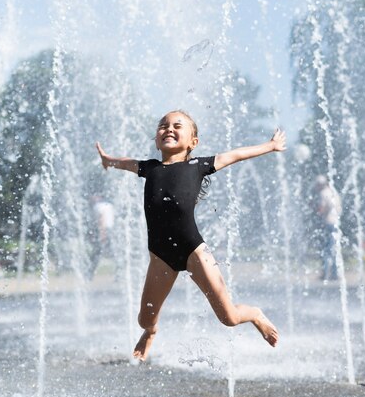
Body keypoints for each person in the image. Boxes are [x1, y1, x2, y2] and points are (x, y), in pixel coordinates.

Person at [96, 110, 286, 361]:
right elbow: (126, 163)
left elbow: (236, 155)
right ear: (156, 139)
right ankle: (151, 332)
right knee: (144, 319)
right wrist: (109, 161)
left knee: (229, 318)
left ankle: (254, 314)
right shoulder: (149, 168)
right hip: (160, 256)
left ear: (192, 142)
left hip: (194, 250)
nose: (168, 129)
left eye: (177, 125)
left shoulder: (199, 166)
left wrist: (270, 146)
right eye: (163, 126)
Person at [315, 175, 342, 281]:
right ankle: (335, 273)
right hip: (336, 222)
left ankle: (325, 272)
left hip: (328, 222)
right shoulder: (333, 192)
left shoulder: (323, 193)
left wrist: (316, 211)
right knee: (334, 248)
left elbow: (322, 208)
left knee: (326, 249)